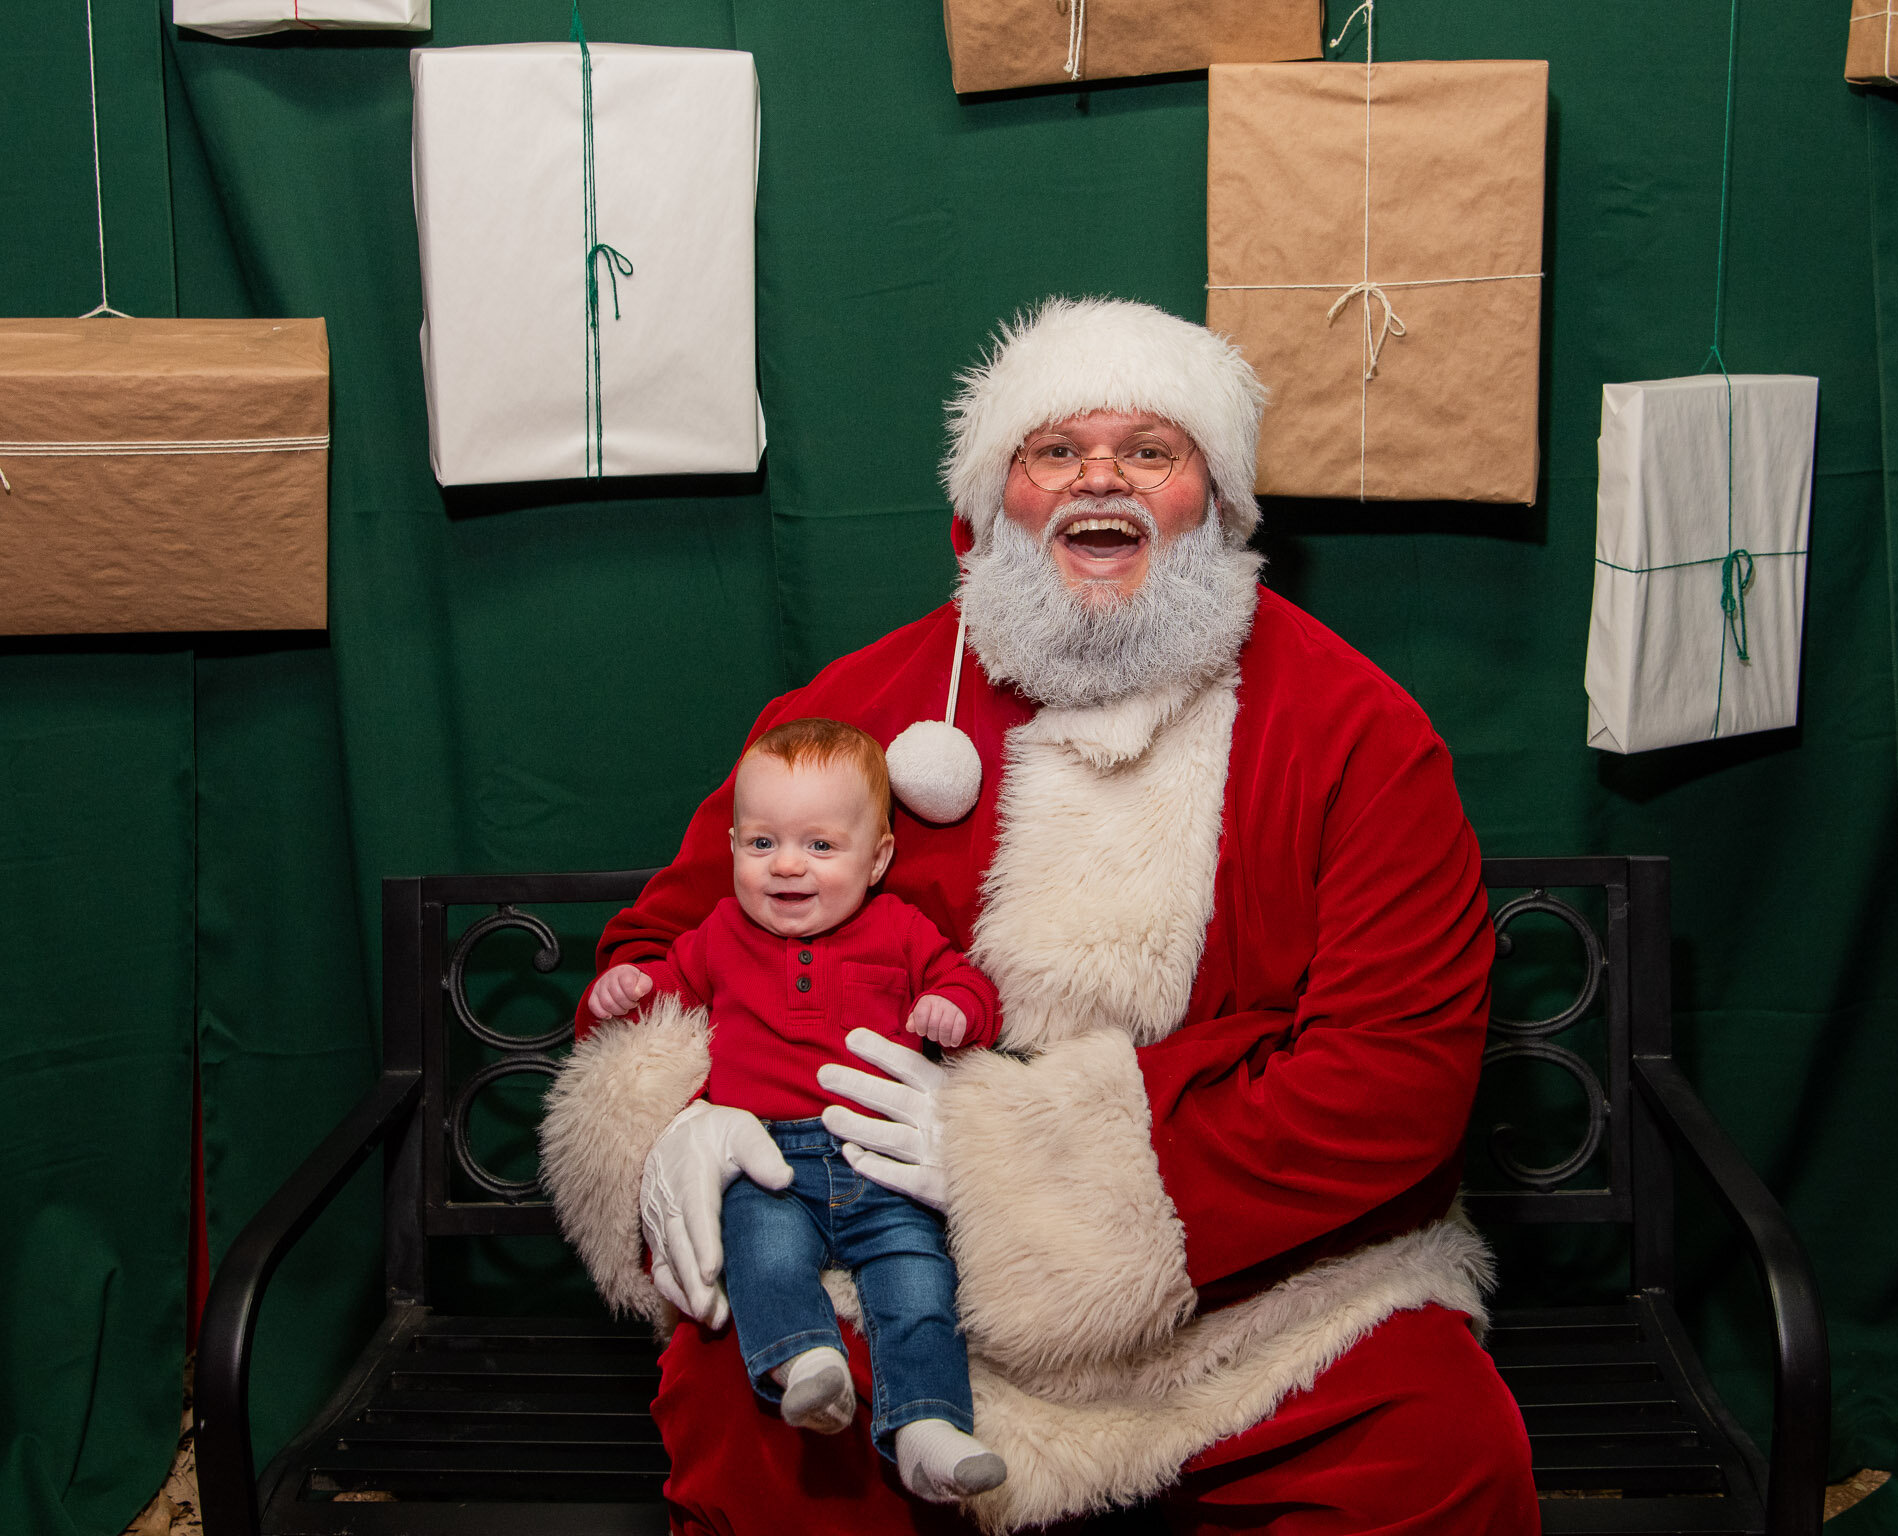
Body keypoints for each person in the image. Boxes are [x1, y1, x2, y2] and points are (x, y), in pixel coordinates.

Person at [539, 296, 1540, 1534]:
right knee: (755, 1418)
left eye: (1149, 451)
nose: (1096, 480)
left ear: (1214, 506)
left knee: (1440, 1452)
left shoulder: (1358, 735)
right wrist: (678, 1121)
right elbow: (655, 959)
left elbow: (1393, 1078)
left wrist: (1023, 1171)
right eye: (1053, 451)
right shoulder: (860, 711)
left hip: (1262, 1294)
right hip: (890, 1260)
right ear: (986, 510)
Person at [583, 718, 1008, 1503]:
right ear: (736, 846)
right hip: (763, 1157)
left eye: (819, 846)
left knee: (917, 1280)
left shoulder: (900, 929)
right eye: (761, 844)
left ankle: (928, 1427)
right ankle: (805, 1363)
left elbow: (972, 985)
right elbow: (663, 1002)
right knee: (758, 1258)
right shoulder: (719, 935)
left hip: (880, 1158)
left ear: (876, 858)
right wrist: (626, 990)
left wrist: (954, 1007)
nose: (786, 867)